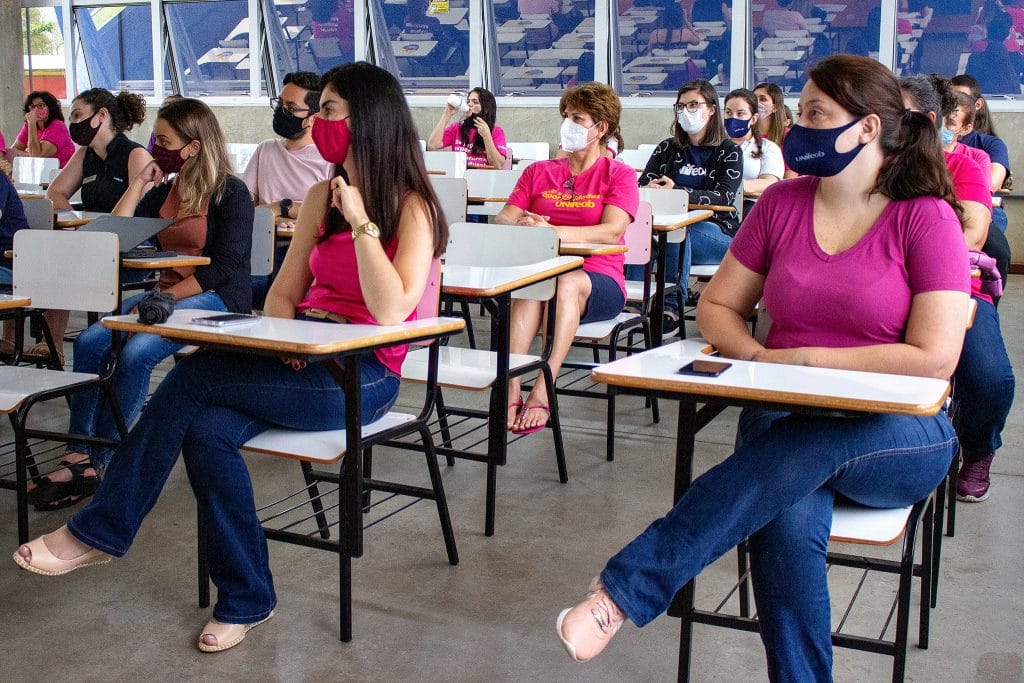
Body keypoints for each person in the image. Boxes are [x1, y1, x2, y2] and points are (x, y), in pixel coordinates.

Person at [556, 55, 970, 679]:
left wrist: (804, 359)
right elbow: (718, 306)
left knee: (803, 453)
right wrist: (758, 360)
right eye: (800, 112)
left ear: (866, 128)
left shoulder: (925, 216)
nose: (798, 127)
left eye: (815, 114)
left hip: (898, 428)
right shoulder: (781, 204)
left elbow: (934, 357)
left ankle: (625, 590)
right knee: (786, 515)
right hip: (784, 413)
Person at [12, 62, 448, 654]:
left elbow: (392, 309)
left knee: (196, 376)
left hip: (363, 375)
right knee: (207, 431)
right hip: (302, 358)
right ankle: (247, 598)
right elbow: (284, 294)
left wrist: (361, 222)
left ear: (369, 119)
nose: (319, 122)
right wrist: (287, 343)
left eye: (329, 110)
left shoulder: (412, 206)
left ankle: (101, 530)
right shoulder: (319, 197)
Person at [23, 98, 254, 512]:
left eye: (164, 141)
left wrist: (165, 298)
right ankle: (78, 452)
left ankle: (102, 460)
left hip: (216, 298)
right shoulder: (168, 189)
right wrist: (138, 185)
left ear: (193, 147)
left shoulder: (229, 191)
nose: (155, 148)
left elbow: (227, 267)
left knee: (137, 352)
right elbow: (114, 233)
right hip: (165, 296)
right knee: (90, 342)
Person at [496, 82, 637, 434]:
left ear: (600, 128)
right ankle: (511, 387)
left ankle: (544, 387)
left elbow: (611, 231)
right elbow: (502, 220)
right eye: (566, 116)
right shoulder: (537, 172)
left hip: (598, 280)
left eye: (577, 118)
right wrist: (523, 224)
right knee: (532, 286)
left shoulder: (619, 174)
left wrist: (552, 231)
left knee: (565, 282)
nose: (567, 124)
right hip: (542, 273)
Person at [901, 74, 1015, 505]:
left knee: (990, 378)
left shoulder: (966, 165)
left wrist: (913, 260)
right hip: (889, 286)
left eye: (904, 115)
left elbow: (974, 234)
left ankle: (979, 449)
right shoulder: (876, 162)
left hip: (956, 287)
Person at [33, 90, 152, 364]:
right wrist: (75, 225)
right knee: (52, 254)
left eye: (78, 116)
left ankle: (56, 342)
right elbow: (55, 192)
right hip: (90, 242)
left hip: (131, 244)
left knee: (66, 260)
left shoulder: (134, 154)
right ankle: (48, 343)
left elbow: (140, 213)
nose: (73, 124)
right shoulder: (85, 154)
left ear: (101, 116)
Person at [635, 79, 742, 334]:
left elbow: (724, 197)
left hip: (717, 233)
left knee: (678, 230)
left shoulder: (729, 151)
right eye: (681, 106)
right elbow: (640, 187)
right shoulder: (667, 148)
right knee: (640, 229)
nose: (686, 111)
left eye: (694, 105)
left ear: (712, 109)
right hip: (665, 228)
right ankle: (633, 303)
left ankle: (671, 307)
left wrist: (678, 193)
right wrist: (651, 189)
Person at [244, 72, 333, 305]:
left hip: (305, 254)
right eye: (279, 104)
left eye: (290, 107)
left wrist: (279, 208)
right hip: (260, 248)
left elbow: (329, 215)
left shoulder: (329, 159)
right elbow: (244, 207)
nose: (281, 111)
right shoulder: (266, 150)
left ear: (313, 118)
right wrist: (295, 212)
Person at [722, 88, 783, 199]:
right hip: (715, 204)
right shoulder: (715, 145)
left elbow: (769, 182)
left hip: (752, 205)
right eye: (728, 112)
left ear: (753, 119)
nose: (733, 118)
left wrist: (730, 187)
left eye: (740, 113)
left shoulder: (768, 148)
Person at [426, 88, 509, 169]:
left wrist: (487, 136)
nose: (469, 104)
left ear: (486, 109)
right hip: (460, 175)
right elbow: (433, 144)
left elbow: (498, 165)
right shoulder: (457, 128)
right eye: (468, 101)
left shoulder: (497, 131)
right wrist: (446, 115)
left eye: (475, 102)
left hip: (484, 176)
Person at [12, 90, 76, 168]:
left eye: (41, 105)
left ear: (50, 108)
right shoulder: (28, 125)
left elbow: (37, 157)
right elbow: (13, 152)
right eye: (32, 106)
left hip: (61, 172)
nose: (35, 110)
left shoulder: (58, 126)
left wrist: (32, 123)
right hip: (40, 172)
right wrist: (29, 154)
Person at [965, 12, 1023, 95]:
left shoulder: (975, 58)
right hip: (1012, 100)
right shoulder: (1017, 57)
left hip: (984, 100)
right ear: (1008, 32)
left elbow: (968, 86)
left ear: (988, 33)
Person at [753, 81, 788, 146]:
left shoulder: (788, 135)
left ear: (775, 107)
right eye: (753, 99)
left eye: (762, 99)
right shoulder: (745, 135)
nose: (755, 102)